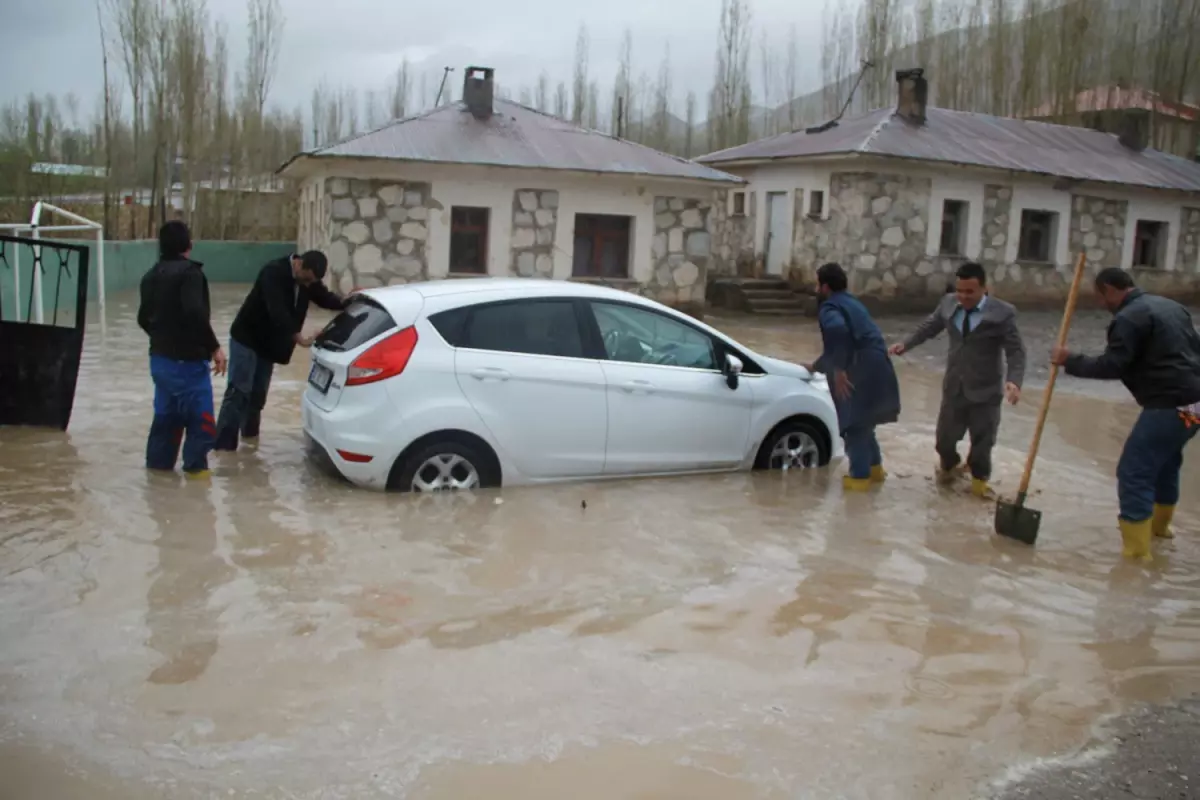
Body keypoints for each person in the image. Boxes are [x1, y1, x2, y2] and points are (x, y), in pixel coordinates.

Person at [1051, 267, 1200, 562]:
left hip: (1168, 405)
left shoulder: (1128, 318)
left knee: (1134, 472)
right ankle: (1160, 531)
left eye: (1100, 297)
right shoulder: (1172, 306)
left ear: (1109, 289)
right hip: (1195, 406)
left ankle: (1136, 555)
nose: (1101, 304)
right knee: (1167, 461)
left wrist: (1071, 361)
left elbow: (1113, 365)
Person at [889, 262, 1025, 498]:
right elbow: (929, 327)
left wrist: (1014, 381)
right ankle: (949, 477)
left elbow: (1016, 351)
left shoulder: (1003, 313)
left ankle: (978, 492)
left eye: (969, 292)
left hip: (986, 391)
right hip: (954, 388)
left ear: (984, 288)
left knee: (982, 448)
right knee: (943, 443)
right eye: (960, 290)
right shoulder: (949, 303)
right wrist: (906, 344)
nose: (963, 297)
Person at [213, 251, 347, 451]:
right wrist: (299, 338)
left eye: (313, 282)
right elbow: (278, 312)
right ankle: (224, 448)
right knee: (239, 392)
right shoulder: (273, 272)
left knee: (258, 396)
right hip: (247, 339)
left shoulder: (307, 281)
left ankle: (249, 443)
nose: (309, 285)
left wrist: (349, 301)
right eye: (308, 279)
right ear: (299, 264)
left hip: (268, 345)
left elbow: (324, 298)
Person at [137, 220, 228, 477]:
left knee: (166, 419)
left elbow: (143, 319)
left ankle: (158, 478)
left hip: (160, 362)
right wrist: (214, 348)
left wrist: (163, 339)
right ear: (188, 245)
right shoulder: (190, 274)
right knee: (201, 423)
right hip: (188, 363)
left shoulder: (150, 276)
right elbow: (195, 314)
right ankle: (197, 482)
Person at [808, 262, 902, 491]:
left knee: (853, 424)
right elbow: (844, 341)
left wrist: (839, 370)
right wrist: (816, 366)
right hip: (878, 363)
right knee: (865, 421)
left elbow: (839, 332)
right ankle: (875, 471)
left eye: (817, 284)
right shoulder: (852, 302)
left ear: (825, 287)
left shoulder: (829, 307)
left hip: (859, 367)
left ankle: (859, 482)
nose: (815, 289)